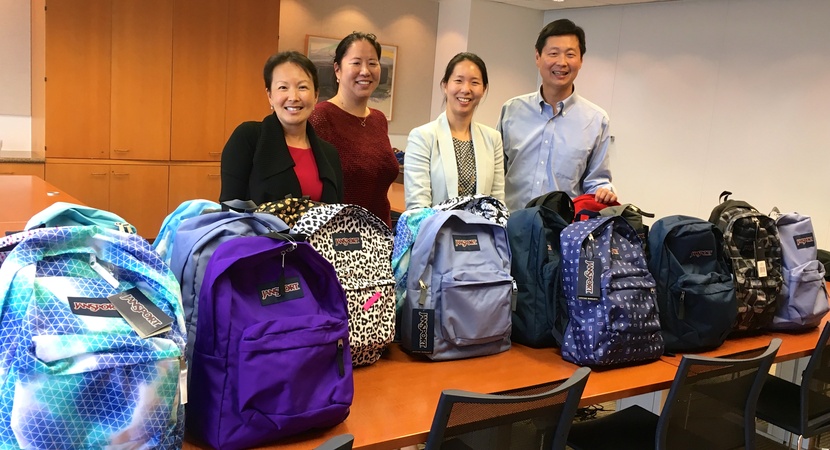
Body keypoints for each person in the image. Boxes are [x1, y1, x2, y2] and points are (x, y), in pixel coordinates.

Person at [498, 18, 617, 212]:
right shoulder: (511, 110)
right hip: (511, 227)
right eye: (553, 53)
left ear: (581, 60)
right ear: (538, 56)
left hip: (562, 232)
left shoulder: (596, 120)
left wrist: (604, 191)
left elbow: (596, 181)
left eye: (570, 54)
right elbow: (496, 172)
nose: (562, 62)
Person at [219, 51, 343, 205]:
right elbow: (230, 210)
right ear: (270, 95)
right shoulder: (248, 138)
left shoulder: (329, 154)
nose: (293, 97)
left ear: (316, 95)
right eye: (283, 87)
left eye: (303, 87)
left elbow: (336, 214)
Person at [309, 32, 400, 227]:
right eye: (356, 63)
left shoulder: (378, 119)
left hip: (379, 239)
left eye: (373, 63)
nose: (365, 71)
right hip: (338, 239)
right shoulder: (319, 117)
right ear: (337, 70)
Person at [403, 52, 505, 209]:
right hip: (435, 232)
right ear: (445, 85)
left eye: (475, 82)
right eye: (458, 81)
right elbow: (418, 207)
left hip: (481, 232)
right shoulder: (422, 137)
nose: (466, 89)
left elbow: (497, 203)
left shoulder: (493, 139)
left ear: (484, 89)